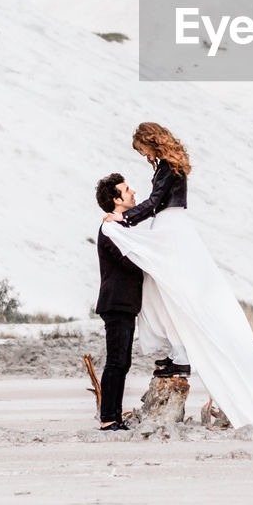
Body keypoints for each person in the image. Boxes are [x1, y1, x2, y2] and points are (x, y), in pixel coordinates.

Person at [97, 122, 253, 433]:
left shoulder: (166, 167)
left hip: (170, 228)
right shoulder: (169, 165)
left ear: (151, 143)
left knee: (174, 292)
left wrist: (125, 217)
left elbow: (153, 204)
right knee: (168, 292)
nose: (143, 155)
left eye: (142, 149)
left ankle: (179, 353)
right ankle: (176, 352)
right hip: (169, 227)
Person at [94, 176, 144, 431]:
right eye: (126, 190)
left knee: (122, 362)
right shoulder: (110, 229)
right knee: (116, 361)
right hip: (116, 303)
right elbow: (129, 262)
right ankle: (108, 419)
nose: (132, 192)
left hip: (124, 304)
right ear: (116, 199)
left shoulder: (120, 226)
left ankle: (114, 416)